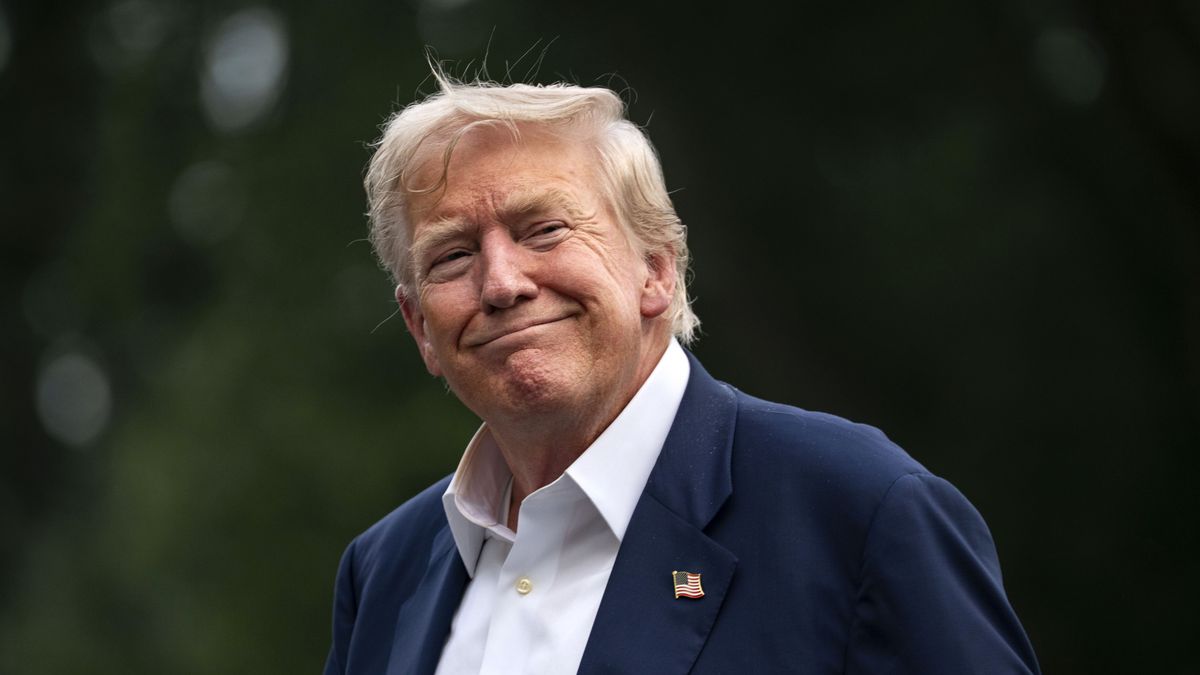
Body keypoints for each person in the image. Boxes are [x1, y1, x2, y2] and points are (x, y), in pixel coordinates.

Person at [324, 72, 1041, 675]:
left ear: (657, 270)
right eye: (452, 256)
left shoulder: (859, 512)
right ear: (420, 325)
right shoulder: (384, 570)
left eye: (543, 229)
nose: (503, 282)